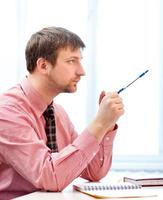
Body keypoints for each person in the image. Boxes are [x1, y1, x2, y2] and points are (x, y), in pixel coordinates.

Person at [0, 27, 124, 200]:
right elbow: (51, 177)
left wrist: (107, 125)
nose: (82, 71)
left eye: (80, 61)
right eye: (72, 61)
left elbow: (93, 172)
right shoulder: (7, 112)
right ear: (43, 65)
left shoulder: (57, 113)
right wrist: (99, 124)